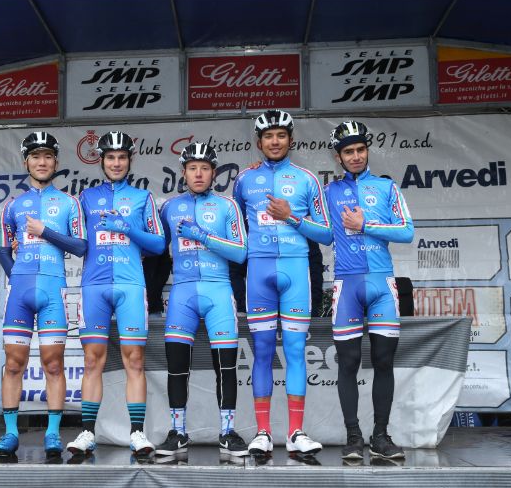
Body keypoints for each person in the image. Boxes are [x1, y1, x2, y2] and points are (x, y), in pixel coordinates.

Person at [232, 110, 332, 456]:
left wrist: (291, 217)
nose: (275, 142)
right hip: (259, 272)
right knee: (261, 352)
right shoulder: (244, 180)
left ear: (291, 139)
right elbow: (235, 230)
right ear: (258, 142)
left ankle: (295, 433)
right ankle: (262, 432)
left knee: (294, 352)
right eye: (268, 136)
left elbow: (327, 233)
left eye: (281, 135)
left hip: (296, 270)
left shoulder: (306, 179)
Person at [66, 131, 166, 456]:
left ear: (130, 160)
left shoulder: (142, 198)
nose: (117, 163)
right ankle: (87, 432)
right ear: (102, 160)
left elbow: (158, 244)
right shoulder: (85, 198)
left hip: (130, 286)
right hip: (94, 286)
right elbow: (75, 242)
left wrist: (127, 228)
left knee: (134, 359)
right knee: (92, 360)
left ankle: (137, 433)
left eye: (122, 157)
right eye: (111, 157)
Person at [0, 132, 88, 459]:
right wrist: (17, 277)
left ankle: (52, 434)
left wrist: (44, 231)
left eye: (48, 156)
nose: (42, 162)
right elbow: (3, 250)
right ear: (26, 163)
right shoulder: (13, 206)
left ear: (56, 162)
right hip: (20, 291)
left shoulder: (69, 203)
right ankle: (10, 433)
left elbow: (81, 246)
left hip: (52, 289)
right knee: (13, 364)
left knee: (53, 364)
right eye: (36, 156)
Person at [326, 120, 414, 461]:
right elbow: (321, 233)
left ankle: (380, 436)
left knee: (383, 360)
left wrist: (366, 225)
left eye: (360, 149)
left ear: (367, 150)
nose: (356, 156)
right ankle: (353, 437)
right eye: (348, 151)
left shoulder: (386, 187)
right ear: (338, 157)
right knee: (348, 362)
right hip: (346, 284)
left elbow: (406, 232)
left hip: (382, 283)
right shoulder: (329, 192)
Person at [155, 142, 249, 458]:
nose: (198, 173)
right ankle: (177, 432)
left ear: (214, 173)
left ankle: (228, 432)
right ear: (183, 173)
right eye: (192, 168)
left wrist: (203, 236)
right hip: (182, 292)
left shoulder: (227, 206)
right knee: (177, 367)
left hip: (218, 290)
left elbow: (241, 252)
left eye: (205, 168)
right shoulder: (169, 207)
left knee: (226, 366)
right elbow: (156, 251)